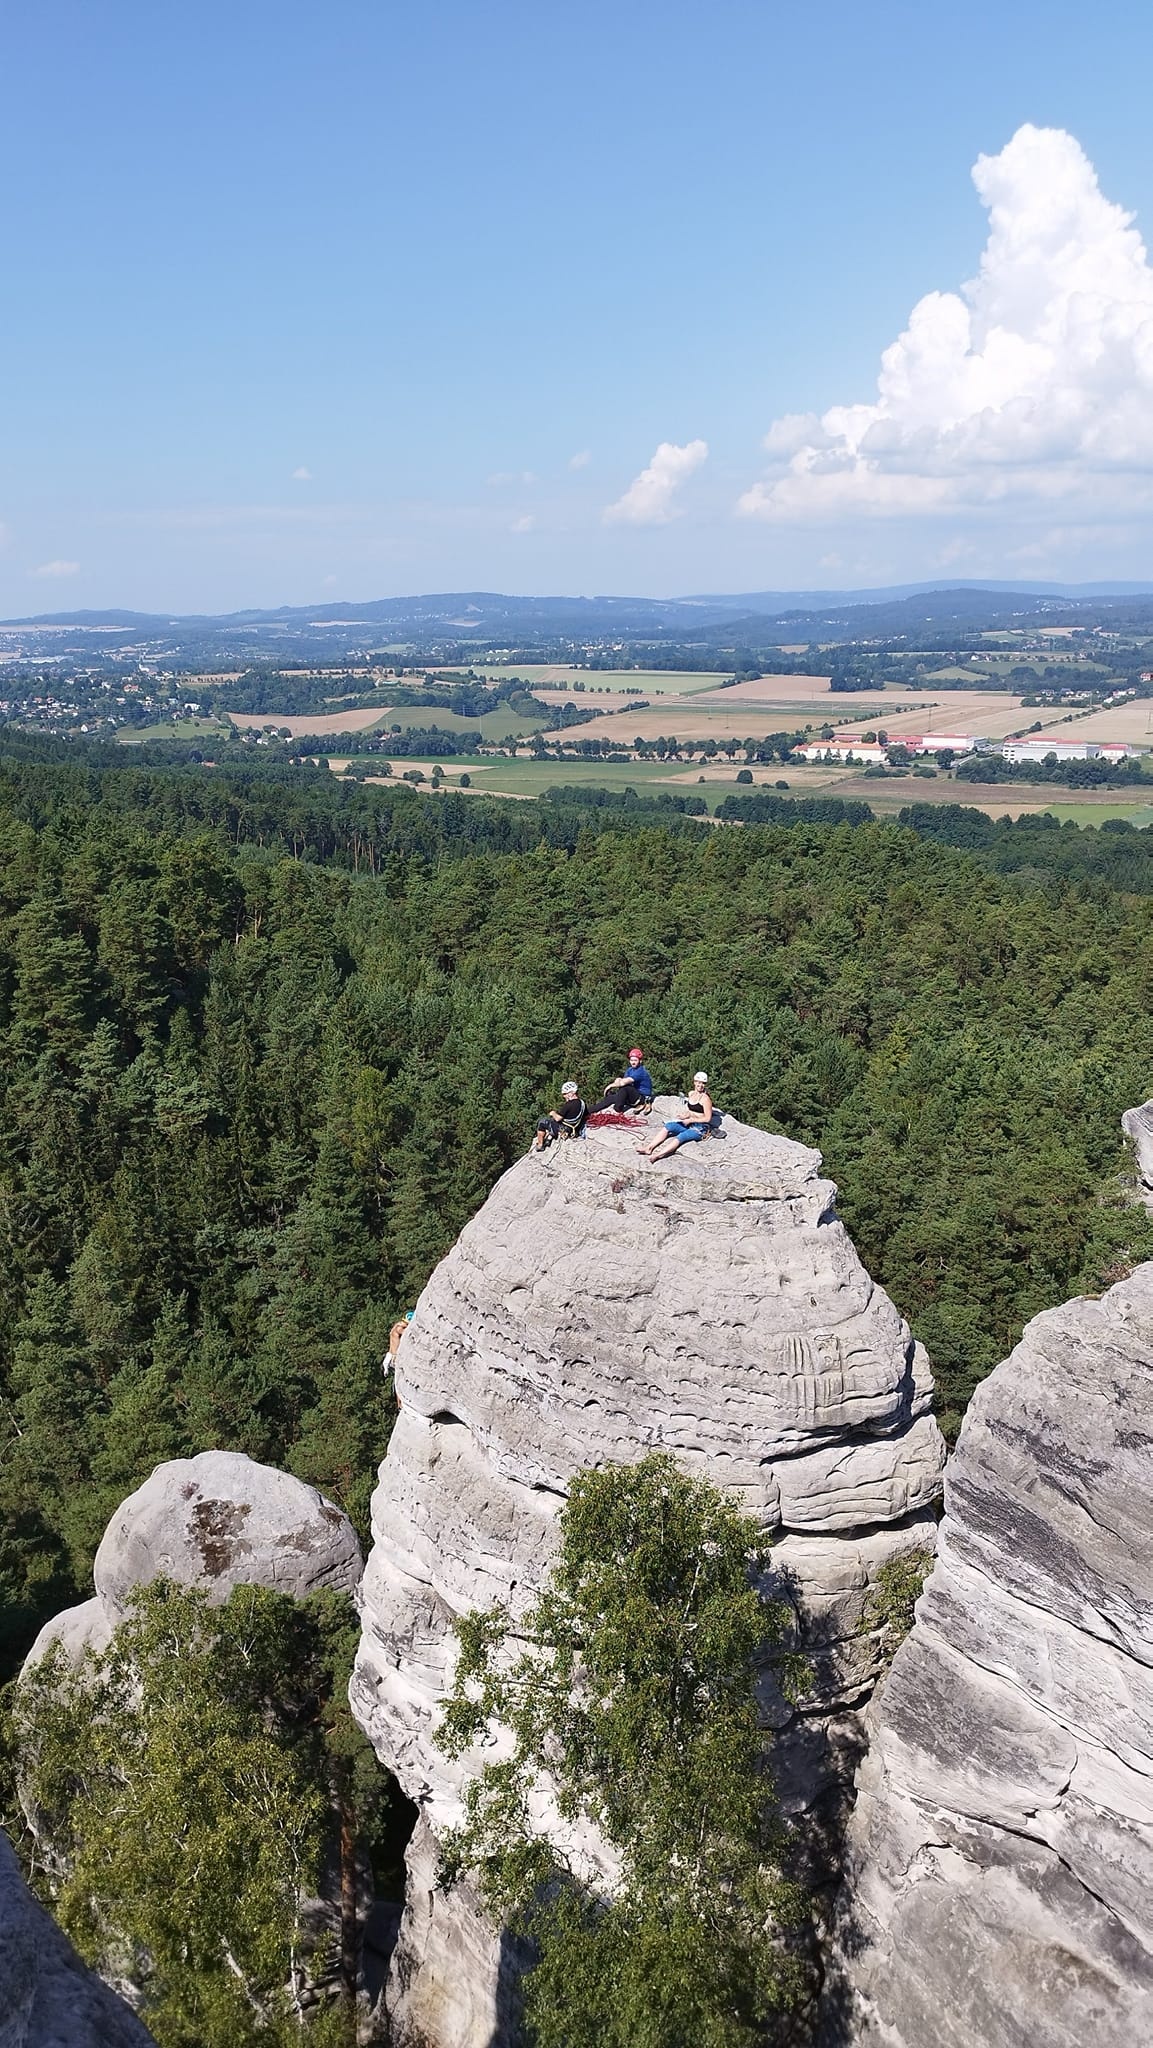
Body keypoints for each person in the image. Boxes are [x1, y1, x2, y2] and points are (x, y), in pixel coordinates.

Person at [638, 1072, 714, 1162]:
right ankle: (649, 1148)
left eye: (703, 1083)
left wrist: (691, 1119)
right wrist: (685, 1115)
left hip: (700, 1128)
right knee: (669, 1126)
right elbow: (691, 1110)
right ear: (694, 1082)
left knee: (682, 1136)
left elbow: (707, 1118)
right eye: (699, 1082)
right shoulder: (691, 1094)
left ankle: (658, 1155)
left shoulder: (705, 1099)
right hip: (688, 1123)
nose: (700, 1085)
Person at [590, 1047, 654, 1116]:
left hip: (642, 1098)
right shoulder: (630, 1070)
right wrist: (618, 1080)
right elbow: (622, 1080)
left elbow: (623, 1083)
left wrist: (610, 1086)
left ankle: (618, 1108)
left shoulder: (641, 1072)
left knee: (625, 1088)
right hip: (633, 1096)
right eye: (631, 1060)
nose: (633, 1062)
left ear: (640, 1061)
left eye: (635, 1060)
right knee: (610, 1098)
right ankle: (587, 1111)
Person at [533, 1081, 588, 1151]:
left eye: (565, 1094)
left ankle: (540, 1145)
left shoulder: (569, 1105)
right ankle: (549, 1138)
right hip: (574, 1128)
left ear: (571, 1093)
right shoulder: (582, 1103)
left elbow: (558, 1118)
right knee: (552, 1122)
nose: (564, 1096)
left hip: (564, 1129)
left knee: (542, 1122)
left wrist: (553, 1113)